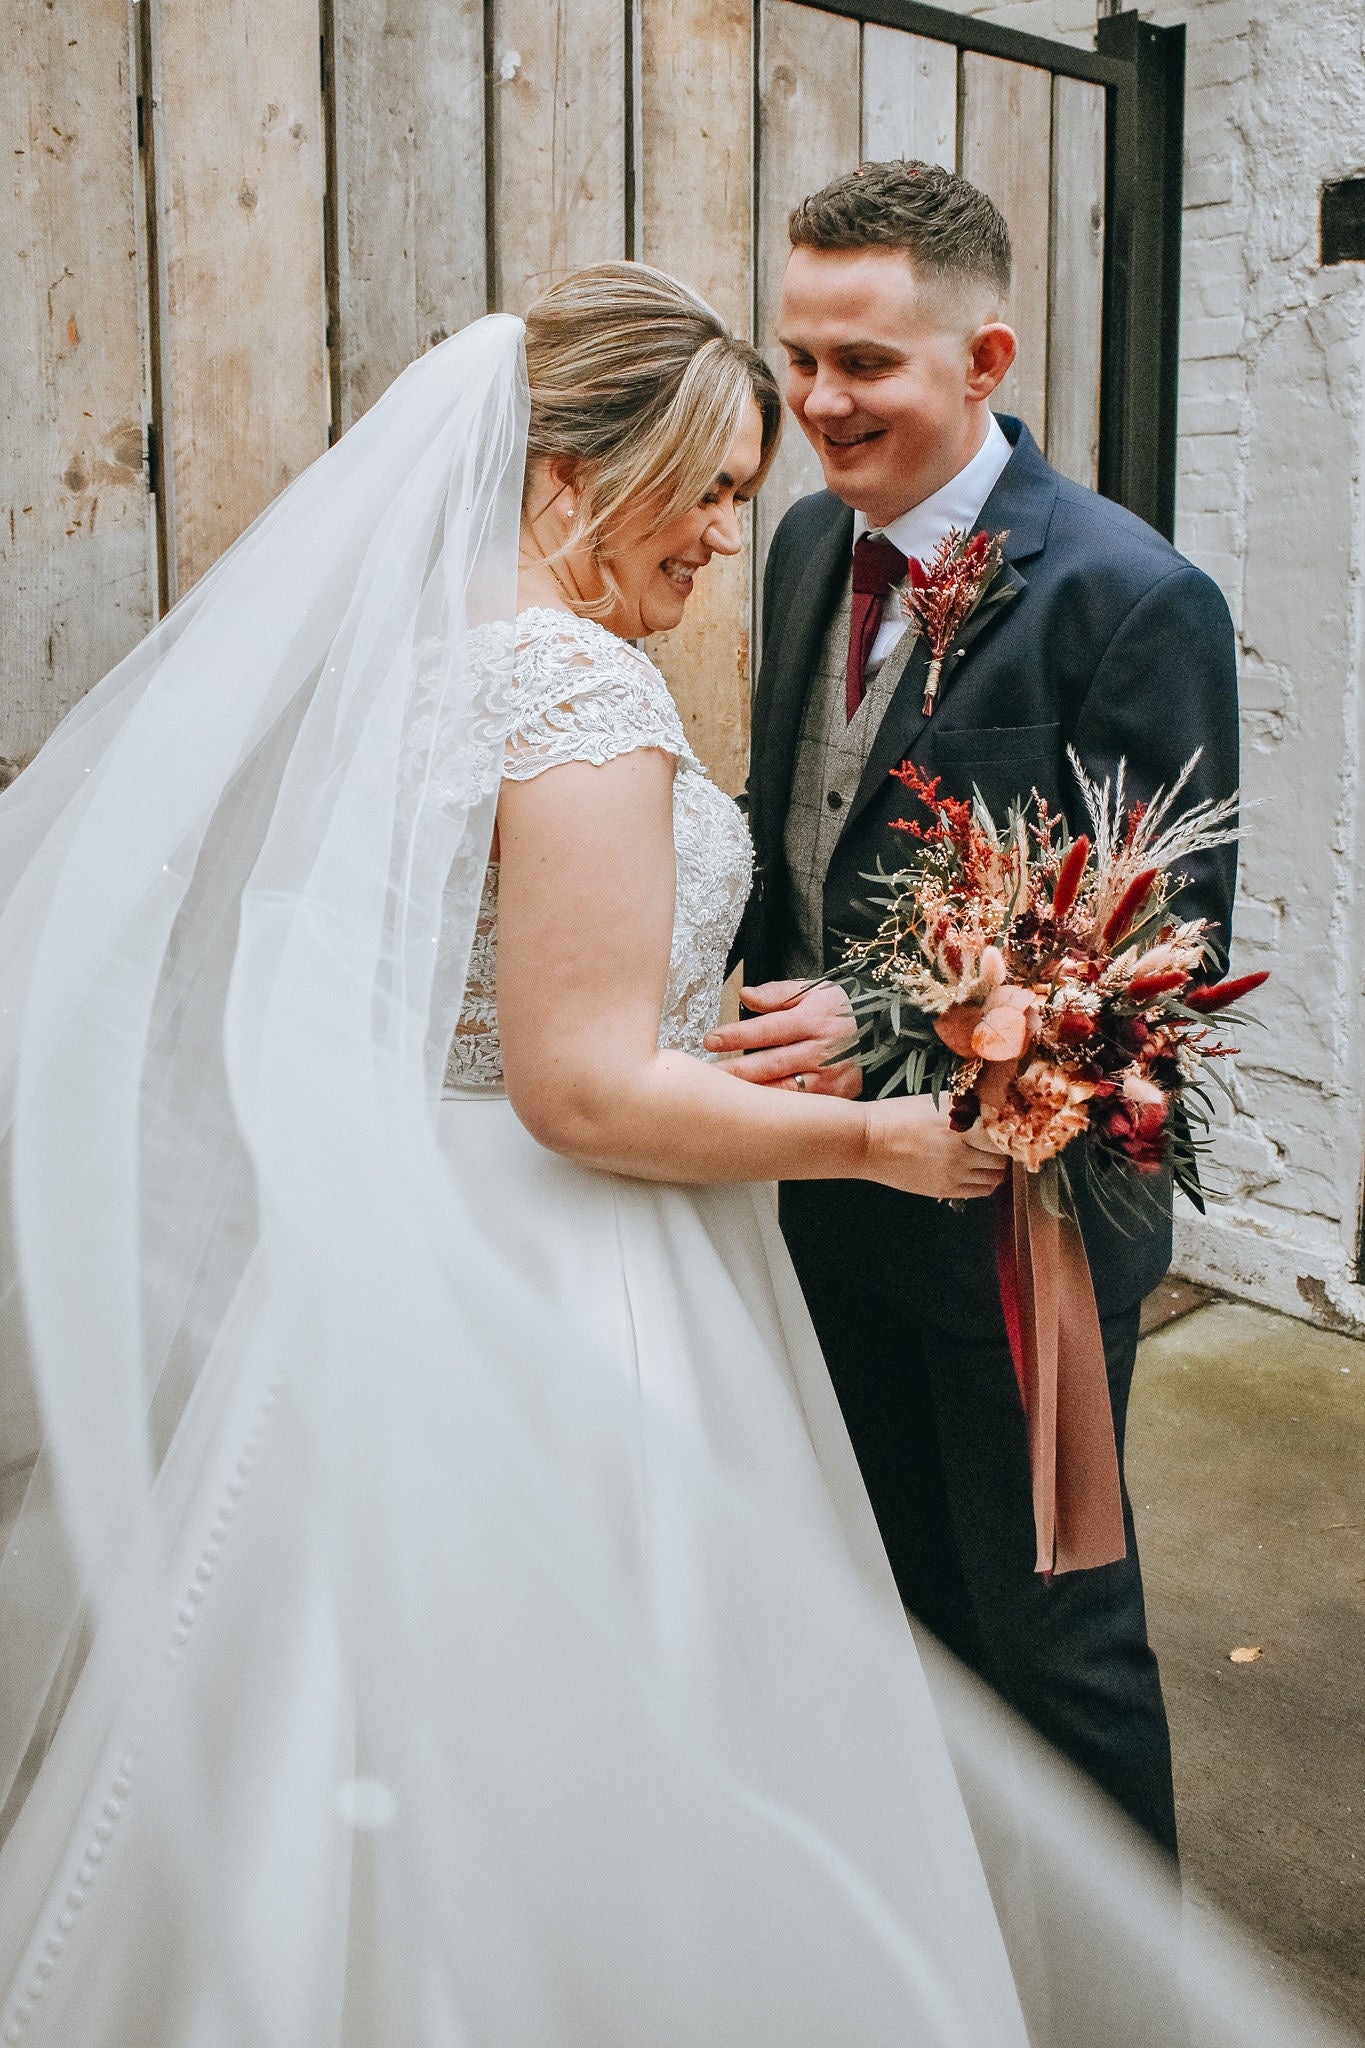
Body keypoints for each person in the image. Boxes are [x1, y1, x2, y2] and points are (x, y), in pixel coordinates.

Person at [0, 264, 1331, 2048]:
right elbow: (579, 1088)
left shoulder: (428, 654)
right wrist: (878, 1134)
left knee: (364, 1679)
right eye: (702, 486)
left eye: (737, 487)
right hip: (572, 1254)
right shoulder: (578, 694)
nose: (728, 529)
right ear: (572, 470)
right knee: (623, 1678)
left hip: (431, 1227)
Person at [710, 161, 1241, 1858]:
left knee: (1052, 1644)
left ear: (984, 358)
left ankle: (1115, 1985)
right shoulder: (810, 542)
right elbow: (802, 826)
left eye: (863, 362)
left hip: (1025, 1225)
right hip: (829, 1194)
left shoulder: (1129, 598)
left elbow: (1153, 956)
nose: (816, 402)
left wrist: (872, 1018)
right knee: (894, 1609)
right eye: (799, 356)